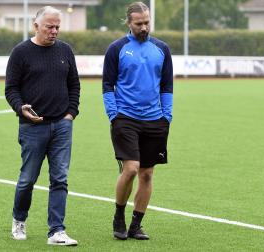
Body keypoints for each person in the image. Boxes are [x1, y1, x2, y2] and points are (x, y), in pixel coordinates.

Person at [5, 6, 80, 246]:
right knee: (27, 179)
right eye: (50, 26)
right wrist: (20, 108)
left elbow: (74, 85)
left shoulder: (66, 51)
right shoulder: (21, 53)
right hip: (32, 127)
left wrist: (70, 114)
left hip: (62, 125)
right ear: (36, 26)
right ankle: (19, 219)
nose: (55, 31)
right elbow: (11, 89)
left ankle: (56, 231)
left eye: (58, 26)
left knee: (60, 179)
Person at [102, 1, 173, 241]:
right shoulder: (117, 48)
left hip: (155, 120)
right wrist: (113, 115)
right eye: (139, 23)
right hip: (126, 118)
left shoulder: (162, 49)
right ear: (129, 23)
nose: (144, 27)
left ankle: (136, 225)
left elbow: (167, 86)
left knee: (147, 174)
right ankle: (119, 216)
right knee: (131, 169)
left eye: (147, 22)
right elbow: (107, 85)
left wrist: (167, 116)